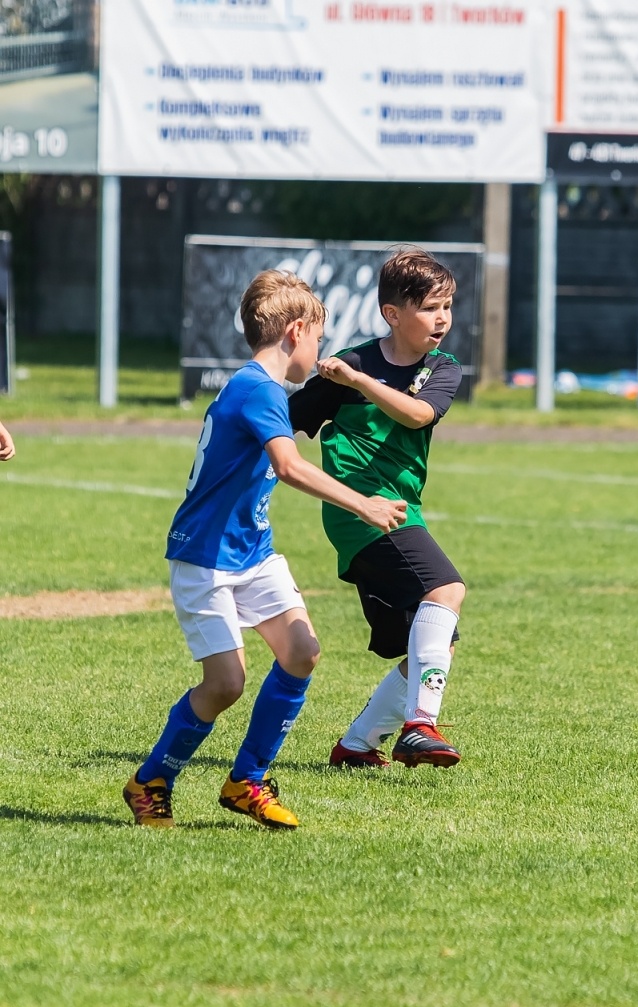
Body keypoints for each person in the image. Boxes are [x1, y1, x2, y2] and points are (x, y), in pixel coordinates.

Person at [123, 272, 408, 829]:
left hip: (252, 552)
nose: (318, 351)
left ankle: (247, 781)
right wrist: (364, 505)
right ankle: (150, 781)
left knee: (301, 650)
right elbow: (289, 465)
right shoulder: (256, 389)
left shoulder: (262, 390)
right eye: (318, 338)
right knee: (226, 683)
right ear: (296, 331)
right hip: (205, 556)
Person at [289, 247, 468, 769]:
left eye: (448, 307)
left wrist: (357, 381)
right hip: (357, 511)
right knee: (447, 589)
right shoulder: (352, 364)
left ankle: (356, 745)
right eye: (431, 308)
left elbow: (417, 415)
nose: (443, 319)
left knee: (437, 640)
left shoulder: (441, 368)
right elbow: (283, 421)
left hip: (400, 511)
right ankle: (420, 726)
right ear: (393, 314)